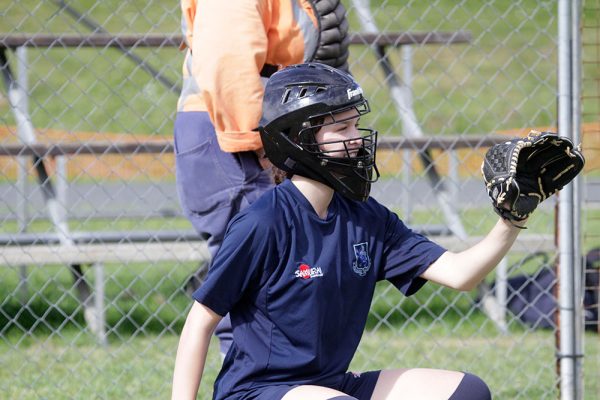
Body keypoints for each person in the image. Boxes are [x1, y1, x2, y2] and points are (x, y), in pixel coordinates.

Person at [171, 62, 523, 400]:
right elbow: (201, 320)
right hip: (258, 392)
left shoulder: (366, 217)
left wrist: (511, 219)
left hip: (331, 385)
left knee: (468, 392)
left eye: (356, 125)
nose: (356, 139)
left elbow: (461, 274)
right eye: (341, 129)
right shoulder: (263, 222)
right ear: (297, 139)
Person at [174, 0, 351, 355]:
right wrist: (264, 145)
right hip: (235, 134)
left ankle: (291, 381)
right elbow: (229, 62)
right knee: (259, 280)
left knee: (289, 272)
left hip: (271, 130)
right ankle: (254, 386)